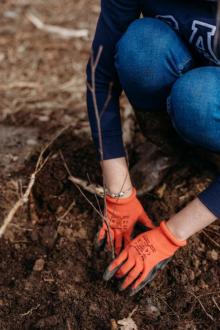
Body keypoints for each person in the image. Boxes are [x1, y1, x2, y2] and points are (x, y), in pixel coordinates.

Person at [86, 0, 220, 296]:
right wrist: (118, 192)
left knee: (199, 97)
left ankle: (212, 156)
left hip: (208, 101)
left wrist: (171, 236)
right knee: (142, 44)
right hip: (185, 83)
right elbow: (101, 75)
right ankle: (170, 147)